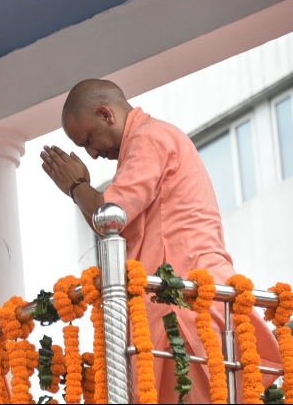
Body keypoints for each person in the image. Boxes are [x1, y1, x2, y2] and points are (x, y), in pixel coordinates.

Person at [40, 79, 281, 403]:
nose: (93, 154)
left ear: (106, 115)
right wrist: (80, 191)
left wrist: (76, 185)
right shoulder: (147, 142)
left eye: (89, 141)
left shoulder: (148, 138)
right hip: (179, 304)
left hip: (183, 305)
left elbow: (108, 212)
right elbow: (110, 227)